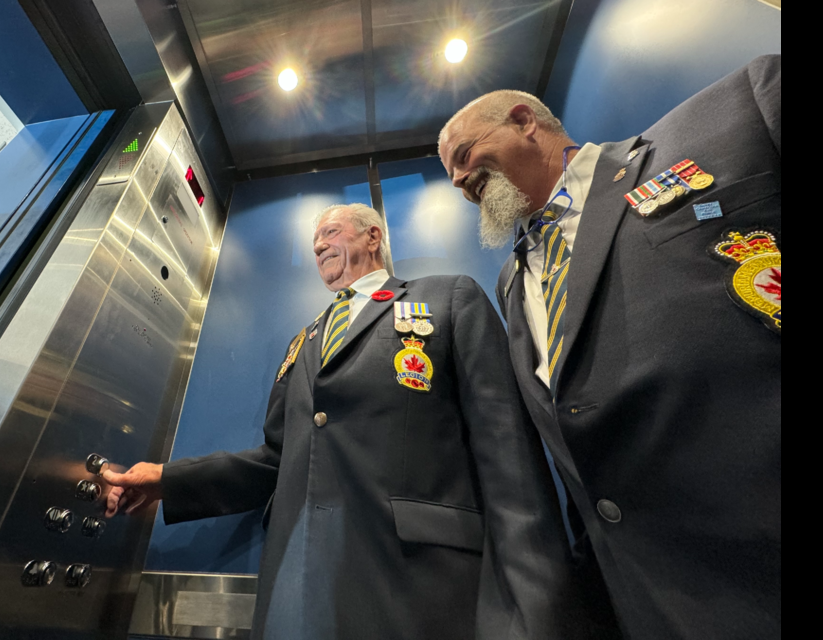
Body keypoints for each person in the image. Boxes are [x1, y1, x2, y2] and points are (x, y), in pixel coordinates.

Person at [103, 203, 586, 640]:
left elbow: (507, 450)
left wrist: (538, 603)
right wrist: (167, 479)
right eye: (313, 243)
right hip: (297, 586)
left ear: (373, 237)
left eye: (330, 232)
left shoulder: (446, 299)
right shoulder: (303, 342)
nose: (317, 246)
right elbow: (276, 460)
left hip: (421, 585)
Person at [438, 55, 781, 639]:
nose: (456, 180)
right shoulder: (510, 282)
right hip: (651, 605)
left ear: (524, 120)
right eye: (450, 171)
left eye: (464, 155)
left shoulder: (736, 112)